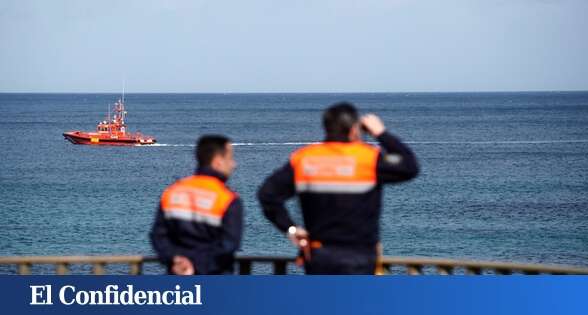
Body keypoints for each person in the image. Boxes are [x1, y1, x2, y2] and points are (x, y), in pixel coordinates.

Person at [258, 102, 419, 274]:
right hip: (359, 255)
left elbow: (267, 195)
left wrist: (290, 228)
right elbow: (409, 166)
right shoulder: (367, 158)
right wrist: (380, 133)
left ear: (326, 128)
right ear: (354, 129)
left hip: (318, 256)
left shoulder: (305, 159)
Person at [150, 135, 242, 275]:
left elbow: (158, 236)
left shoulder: (172, 192)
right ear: (217, 162)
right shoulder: (228, 199)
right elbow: (229, 245)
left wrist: (175, 260)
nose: (234, 164)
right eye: (230, 159)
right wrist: (197, 266)